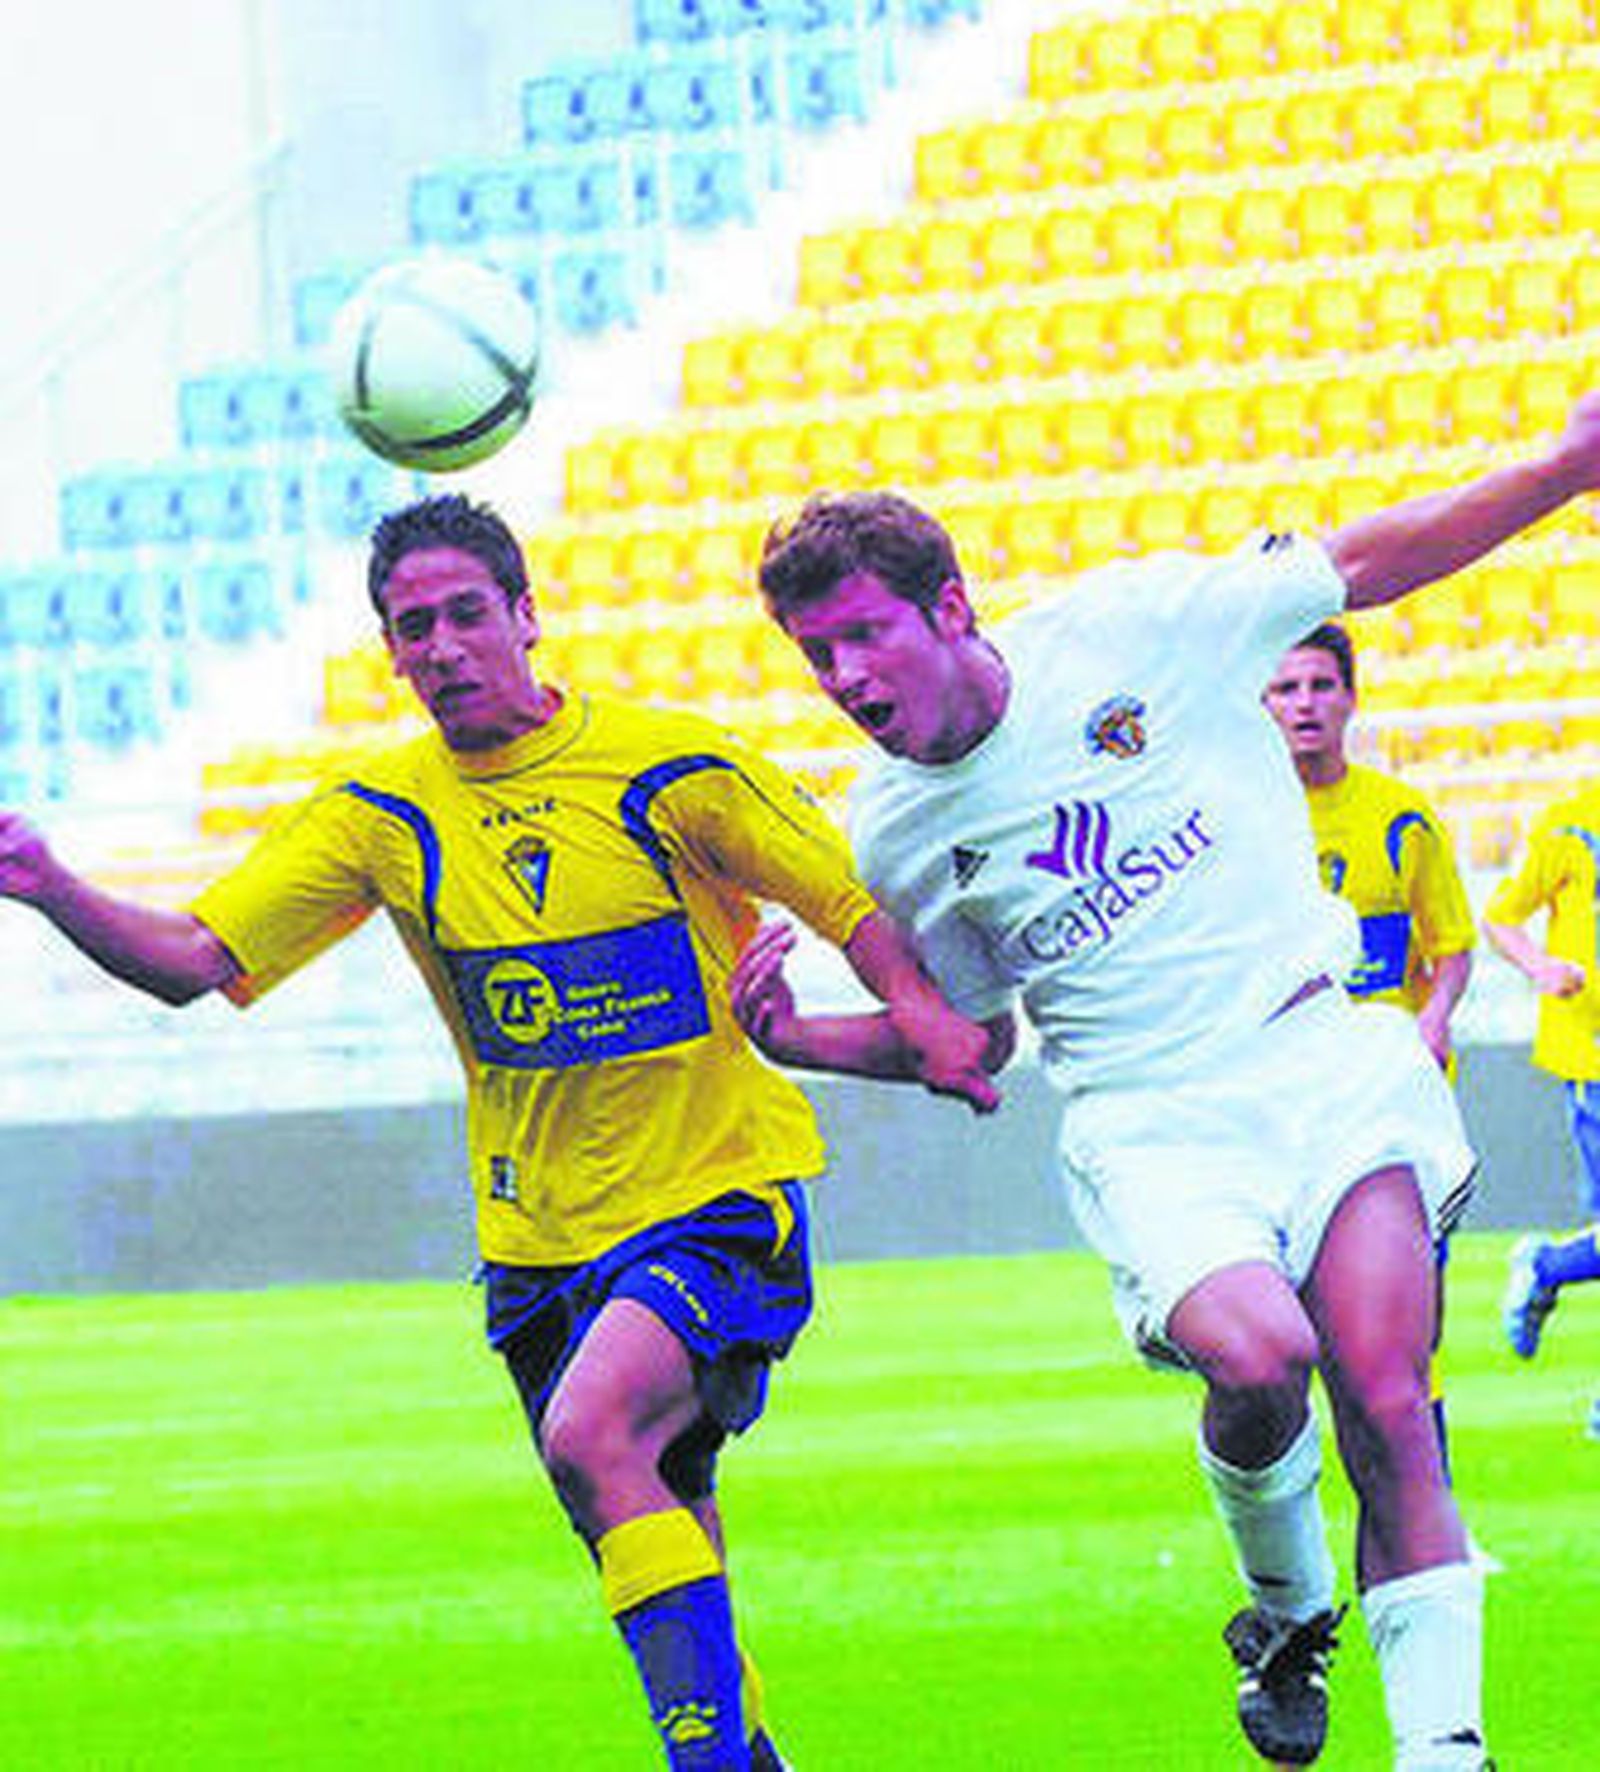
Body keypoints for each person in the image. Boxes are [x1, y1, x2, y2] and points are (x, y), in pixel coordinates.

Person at [0, 492, 998, 1772]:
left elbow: (846, 893)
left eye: (468, 612)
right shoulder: (379, 812)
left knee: (590, 1434)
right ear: (393, 653)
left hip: (716, 1196)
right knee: (661, 1510)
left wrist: (921, 1016)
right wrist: (47, 884)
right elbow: (195, 958)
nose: (444, 645)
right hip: (535, 1246)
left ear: (526, 616)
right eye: (413, 627)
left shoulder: (664, 764)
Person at [731, 396, 1600, 1770]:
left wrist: (1563, 470)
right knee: (1263, 1362)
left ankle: (1448, 1751)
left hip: (1320, 1053)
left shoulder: (1133, 629)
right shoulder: (890, 833)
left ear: (950, 608)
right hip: (1151, 1123)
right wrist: (799, 1039)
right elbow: (971, 1045)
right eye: (815, 652)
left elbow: (1358, 565)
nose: (842, 675)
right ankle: (1288, 1607)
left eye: (863, 636)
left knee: (1388, 1399)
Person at [1264, 621, 1476, 1475]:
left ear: (1350, 697)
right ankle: (1319, 1530)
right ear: (1263, 706)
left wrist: (1437, 1013)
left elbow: (1452, 943)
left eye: (1320, 686)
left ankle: (1435, 1523)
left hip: (1392, 1107)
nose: (1305, 705)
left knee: (1410, 1328)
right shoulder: (1244, 823)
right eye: (1286, 689)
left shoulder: (1401, 814)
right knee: (1295, 1338)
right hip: (1288, 1108)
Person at [1482, 781, 1600, 1439]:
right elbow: (1501, 915)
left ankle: (1547, 1267)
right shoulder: (1571, 825)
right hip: (1593, 1056)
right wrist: (1541, 966)